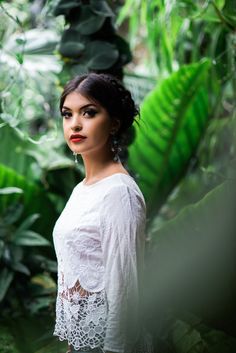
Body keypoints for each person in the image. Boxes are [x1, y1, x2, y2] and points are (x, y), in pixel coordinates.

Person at [52, 73, 149, 353]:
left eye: (89, 113)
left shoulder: (119, 192)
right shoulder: (82, 189)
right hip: (81, 344)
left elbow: (125, 290)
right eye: (67, 114)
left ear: (114, 124)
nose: (75, 124)